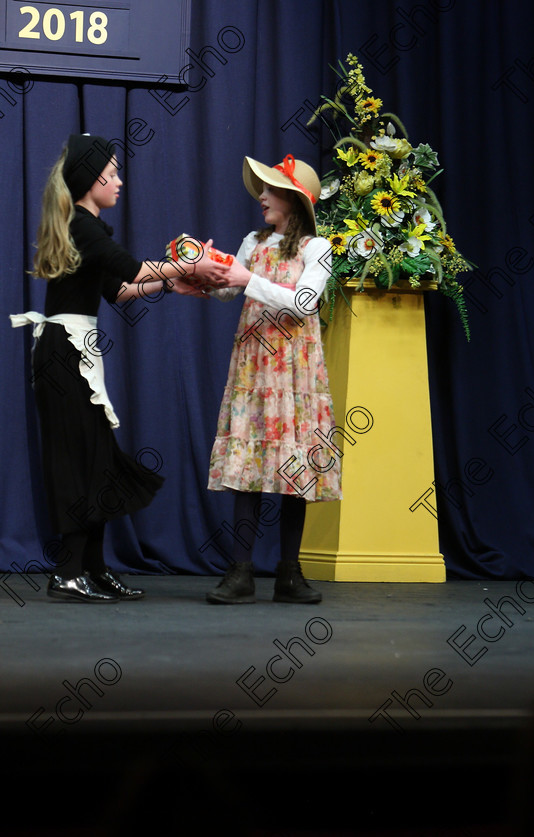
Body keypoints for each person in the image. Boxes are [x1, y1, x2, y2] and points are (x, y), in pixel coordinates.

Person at [10, 133, 229, 603]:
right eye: (111, 174)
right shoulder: (83, 228)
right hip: (65, 351)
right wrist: (191, 264)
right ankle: (69, 572)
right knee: (77, 460)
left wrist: (172, 284)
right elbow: (132, 270)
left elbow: (122, 290)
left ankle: (92, 568)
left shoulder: (89, 230)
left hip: (75, 350)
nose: (120, 182)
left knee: (96, 458)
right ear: (91, 181)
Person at [182, 153, 342, 604]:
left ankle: (289, 573)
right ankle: (241, 571)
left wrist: (245, 276)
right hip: (255, 365)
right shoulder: (254, 241)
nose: (262, 198)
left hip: (295, 370)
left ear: (294, 200)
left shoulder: (318, 249)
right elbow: (232, 288)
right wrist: (202, 274)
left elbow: (304, 303)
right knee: (249, 466)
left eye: (271, 191)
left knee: (297, 466)